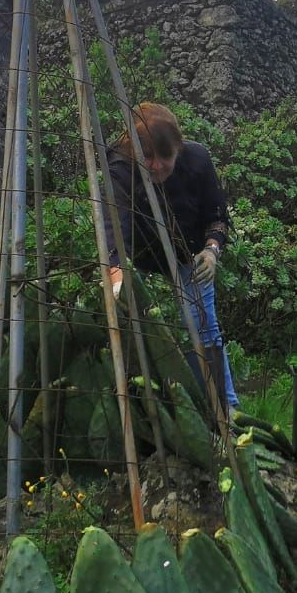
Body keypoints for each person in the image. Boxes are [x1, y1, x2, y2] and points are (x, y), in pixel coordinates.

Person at [105, 102, 238, 413]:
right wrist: (118, 277)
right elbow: (115, 226)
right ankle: (161, 413)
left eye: (165, 157)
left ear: (178, 148)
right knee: (145, 336)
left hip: (187, 254)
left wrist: (211, 249)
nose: (155, 166)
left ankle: (225, 411)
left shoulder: (198, 159)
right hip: (139, 261)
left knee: (203, 328)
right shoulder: (120, 169)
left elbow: (216, 214)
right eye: (147, 157)